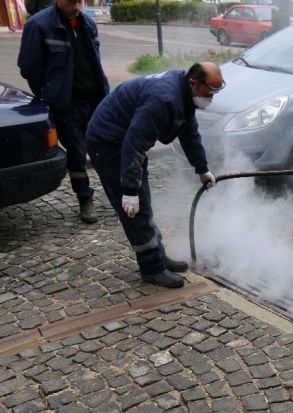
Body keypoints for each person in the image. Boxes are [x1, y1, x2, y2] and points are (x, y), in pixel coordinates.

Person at [84, 62, 222, 288]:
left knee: (144, 204)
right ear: (193, 83)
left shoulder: (184, 94)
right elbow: (134, 145)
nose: (212, 97)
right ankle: (152, 268)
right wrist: (129, 191)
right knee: (134, 211)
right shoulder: (163, 99)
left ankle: (158, 255)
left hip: (126, 142)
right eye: (210, 91)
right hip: (108, 143)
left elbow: (189, 134)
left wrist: (202, 168)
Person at [18, 0, 109, 224]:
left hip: (96, 99)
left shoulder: (87, 22)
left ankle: (117, 194)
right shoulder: (38, 25)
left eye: (79, 1)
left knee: (106, 148)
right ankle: (85, 199)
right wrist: (49, 92)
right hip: (67, 104)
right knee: (77, 153)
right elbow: (29, 67)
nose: (76, 6)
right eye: (70, 2)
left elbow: (94, 60)